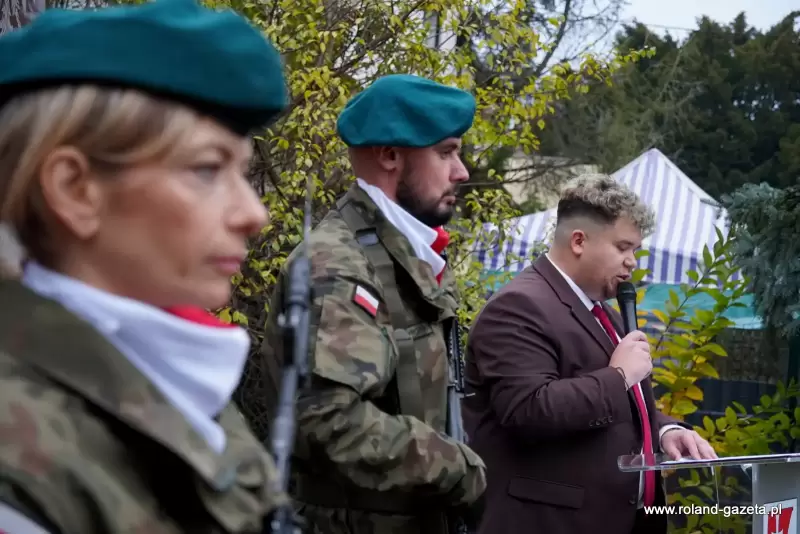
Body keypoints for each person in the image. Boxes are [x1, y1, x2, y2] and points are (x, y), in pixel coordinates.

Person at [0, 1, 293, 532]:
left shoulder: (164, 367)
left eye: (243, 171)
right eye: (207, 169)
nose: (254, 214)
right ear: (74, 189)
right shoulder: (17, 464)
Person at [257, 74, 487, 534]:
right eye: (446, 153)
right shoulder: (339, 263)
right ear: (390, 156)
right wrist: (456, 468)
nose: (461, 172)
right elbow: (329, 421)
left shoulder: (400, 250)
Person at [462, 174, 718, 534]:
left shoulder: (603, 313)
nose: (632, 262)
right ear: (579, 241)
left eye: (635, 250)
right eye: (623, 247)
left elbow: (620, 410)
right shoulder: (518, 306)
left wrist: (663, 431)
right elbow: (528, 410)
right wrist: (618, 376)